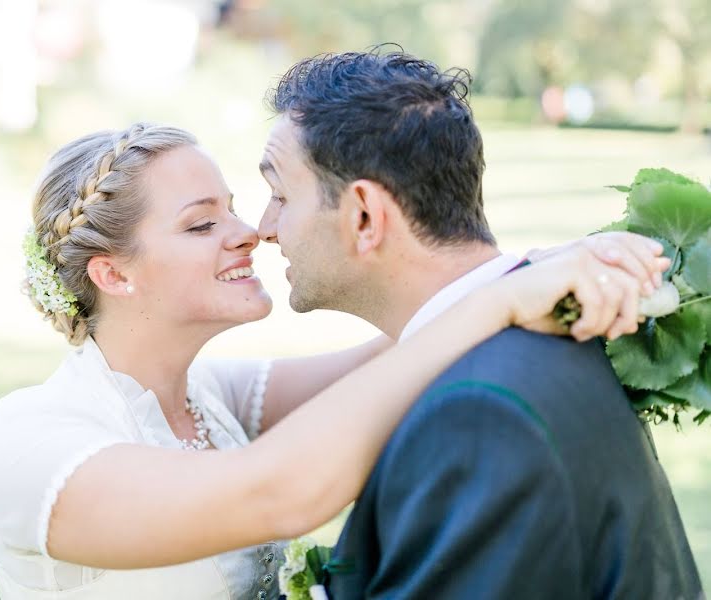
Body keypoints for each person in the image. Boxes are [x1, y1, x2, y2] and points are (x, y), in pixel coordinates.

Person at [0, 122, 665, 599]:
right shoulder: (29, 442)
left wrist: (535, 268)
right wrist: (503, 301)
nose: (250, 234)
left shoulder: (211, 396)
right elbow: (277, 493)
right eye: (202, 223)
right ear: (114, 275)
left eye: (237, 209)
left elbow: (404, 349)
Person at [257, 49, 702, 599]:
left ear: (365, 217)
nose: (265, 227)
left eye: (279, 195)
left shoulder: (476, 414)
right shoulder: (541, 340)